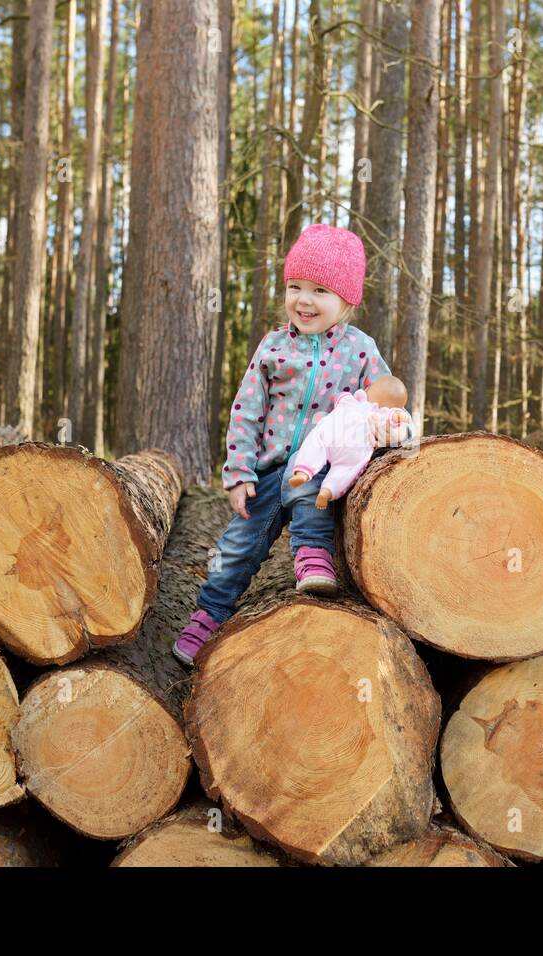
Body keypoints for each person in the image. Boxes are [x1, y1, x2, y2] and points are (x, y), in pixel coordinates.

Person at [172, 224, 413, 666]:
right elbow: (246, 410)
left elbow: (383, 400)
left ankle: (313, 560)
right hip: (268, 468)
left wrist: (391, 429)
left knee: (309, 498)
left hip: (320, 468)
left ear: (347, 300)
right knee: (239, 544)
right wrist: (240, 472)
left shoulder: (360, 350)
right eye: (295, 286)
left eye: (320, 290)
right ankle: (210, 613)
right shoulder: (273, 347)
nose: (304, 299)